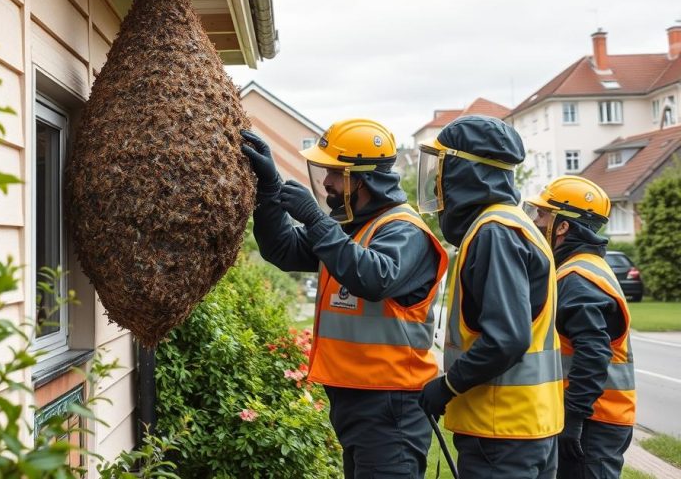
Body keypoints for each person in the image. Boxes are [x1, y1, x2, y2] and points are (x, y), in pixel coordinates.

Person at [241, 119, 448, 479]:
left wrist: (314, 220)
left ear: (362, 179)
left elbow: (374, 277)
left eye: (335, 173)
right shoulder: (351, 231)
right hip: (359, 402)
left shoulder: (404, 231)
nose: (326, 183)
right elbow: (283, 250)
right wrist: (269, 193)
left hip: (391, 404)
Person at [415, 115, 563, 479]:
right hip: (529, 426)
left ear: (465, 173)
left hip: (502, 431)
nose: (438, 180)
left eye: (444, 168)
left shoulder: (494, 232)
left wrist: (447, 386)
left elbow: (507, 339)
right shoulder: (515, 223)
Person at [524, 176, 636, 479]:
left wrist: (573, 417)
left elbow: (593, 352)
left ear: (562, 226)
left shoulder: (578, 277)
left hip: (594, 421)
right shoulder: (581, 268)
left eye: (543, 214)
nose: (535, 220)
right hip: (595, 417)